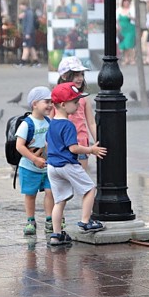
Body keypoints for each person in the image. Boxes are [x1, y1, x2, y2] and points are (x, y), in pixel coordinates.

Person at [46, 82, 107, 246]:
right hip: (67, 165)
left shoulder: (51, 124)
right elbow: (73, 148)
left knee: (59, 201)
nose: (78, 103)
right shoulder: (68, 125)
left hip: (52, 167)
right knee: (89, 189)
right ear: (64, 105)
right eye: (75, 101)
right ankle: (86, 221)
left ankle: (56, 235)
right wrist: (91, 150)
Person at [16, 86, 56, 236]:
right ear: (34, 104)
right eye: (46, 101)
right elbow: (19, 146)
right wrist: (34, 159)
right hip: (29, 167)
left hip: (47, 166)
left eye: (51, 102)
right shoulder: (27, 124)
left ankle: (50, 219)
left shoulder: (49, 121)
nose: (50, 105)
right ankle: (30, 220)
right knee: (30, 194)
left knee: (50, 192)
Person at [52, 56, 97, 172]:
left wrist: (98, 140)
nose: (80, 78)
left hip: (81, 145)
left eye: (82, 74)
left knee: (80, 181)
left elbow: (91, 122)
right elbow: (50, 121)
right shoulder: (56, 97)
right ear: (64, 76)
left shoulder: (83, 98)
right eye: (76, 75)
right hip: (61, 147)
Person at [17, 2, 41, 68]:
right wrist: (20, 18)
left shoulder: (28, 12)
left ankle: (22, 62)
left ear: (24, 5)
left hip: (28, 33)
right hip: (30, 32)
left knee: (26, 47)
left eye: (20, 5)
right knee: (31, 48)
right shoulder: (27, 12)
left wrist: (27, 33)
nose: (20, 7)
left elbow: (29, 23)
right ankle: (36, 62)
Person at [117, 0, 136, 65]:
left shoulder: (132, 10)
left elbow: (136, 19)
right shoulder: (119, 10)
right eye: (124, 1)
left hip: (130, 29)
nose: (126, 3)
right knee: (124, 45)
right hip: (122, 30)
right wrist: (118, 26)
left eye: (127, 1)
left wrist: (130, 17)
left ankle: (132, 58)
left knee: (129, 44)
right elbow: (117, 20)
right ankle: (126, 59)